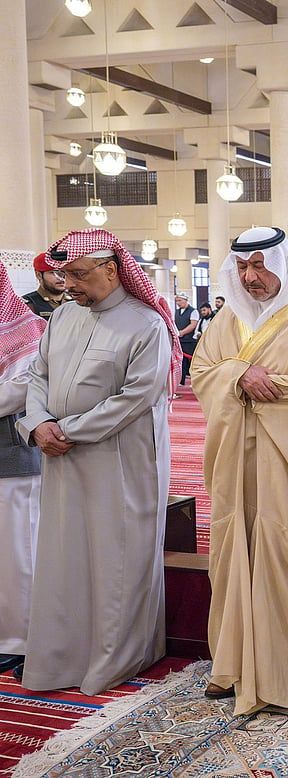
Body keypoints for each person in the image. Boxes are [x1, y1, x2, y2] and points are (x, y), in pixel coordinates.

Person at [191, 227, 288, 715]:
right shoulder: (227, 319)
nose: (250, 277)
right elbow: (202, 372)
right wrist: (239, 374)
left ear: (280, 264)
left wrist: (258, 387)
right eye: (242, 267)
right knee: (234, 552)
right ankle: (234, 665)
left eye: (259, 265)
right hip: (236, 464)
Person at [17, 228, 179, 694]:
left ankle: (117, 658)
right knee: (64, 555)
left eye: (79, 274)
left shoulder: (146, 324)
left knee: (117, 558)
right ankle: (64, 655)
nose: (69, 284)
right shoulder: (63, 318)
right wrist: (38, 424)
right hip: (61, 458)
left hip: (119, 461)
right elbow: (38, 376)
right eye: (65, 275)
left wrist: (67, 430)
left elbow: (136, 397)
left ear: (111, 269)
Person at [0, 263, 47, 677]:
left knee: (19, 552)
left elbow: (23, 389)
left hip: (13, 457)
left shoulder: (25, 328)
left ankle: (24, 641)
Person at [22, 252, 65, 321]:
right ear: (39, 275)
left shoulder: (77, 301)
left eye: (64, 272)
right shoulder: (26, 305)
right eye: (54, 273)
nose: (61, 278)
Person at [174, 292, 200, 386]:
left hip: (189, 341)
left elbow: (193, 325)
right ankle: (180, 381)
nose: (178, 303)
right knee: (180, 362)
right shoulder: (176, 312)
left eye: (180, 300)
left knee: (191, 362)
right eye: (177, 301)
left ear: (185, 300)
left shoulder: (193, 311)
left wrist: (181, 332)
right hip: (179, 341)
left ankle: (196, 382)